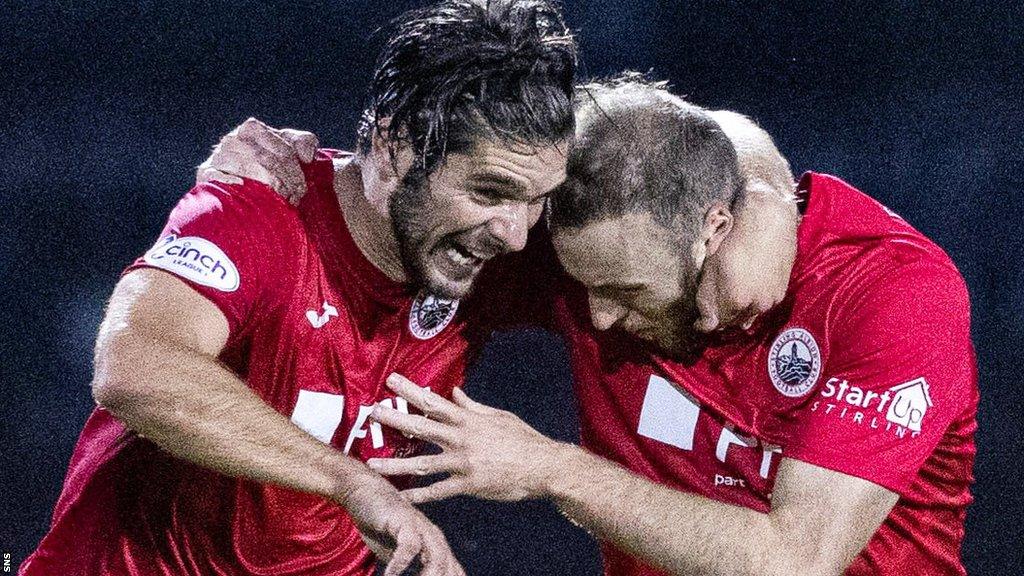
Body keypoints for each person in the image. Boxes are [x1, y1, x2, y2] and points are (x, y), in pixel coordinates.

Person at [214, 76, 976, 574]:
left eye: (622, 290)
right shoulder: (584, 259)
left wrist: (551, 468)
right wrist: (279, 188)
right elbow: (412, 207)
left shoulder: (895, 293)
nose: (598, 315)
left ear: (714, 226)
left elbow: (796, 561)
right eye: (586, 288)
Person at [20, 1, 577, 575]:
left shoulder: (495, 254)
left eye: (537, 200)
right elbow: (136, 368)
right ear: (394, 148)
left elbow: (655, 179)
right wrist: (348, 480)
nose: (515, 234)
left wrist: (558, 468)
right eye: (489, 192)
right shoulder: (258, 212)